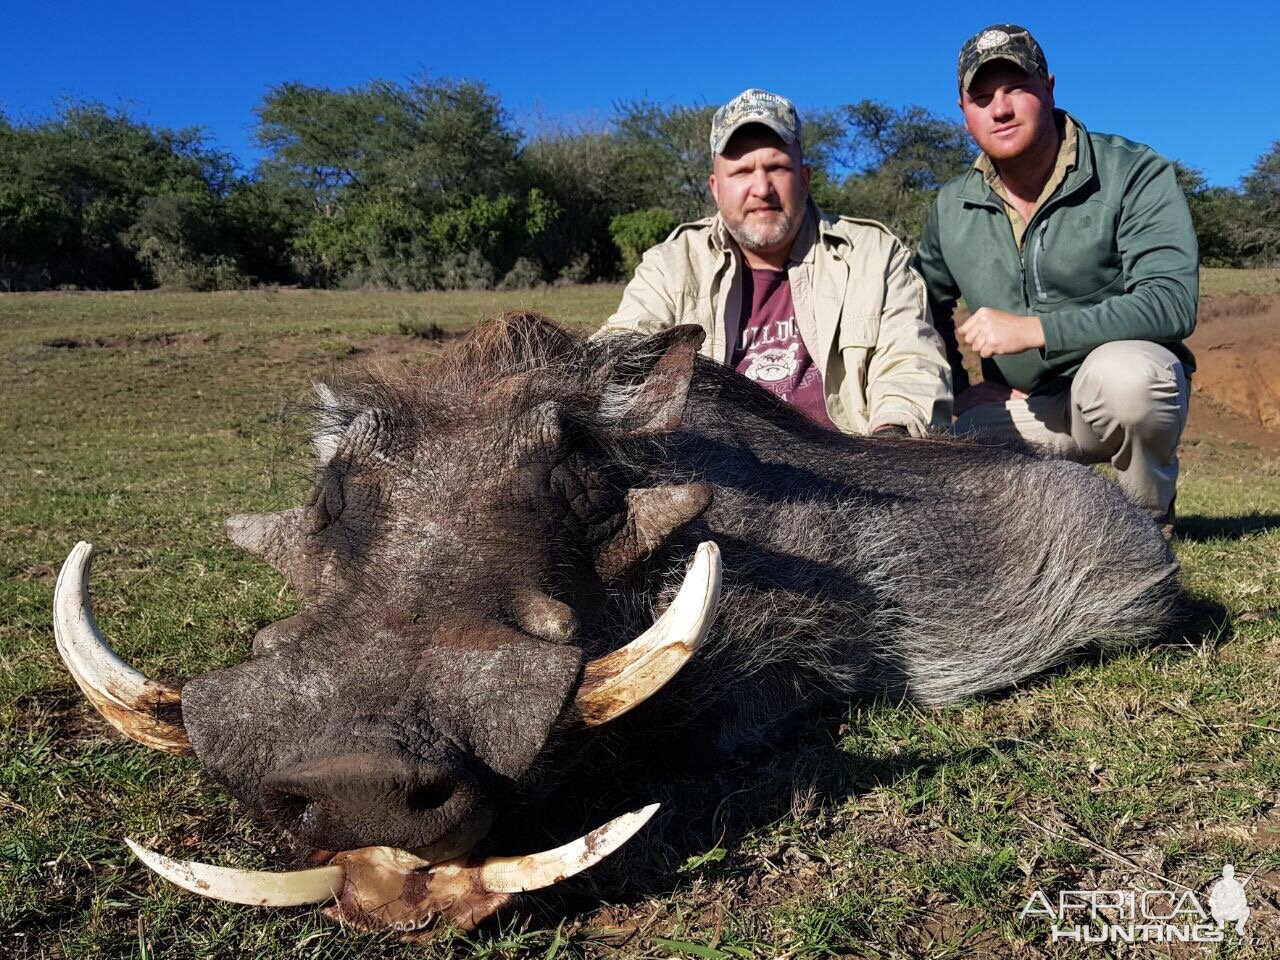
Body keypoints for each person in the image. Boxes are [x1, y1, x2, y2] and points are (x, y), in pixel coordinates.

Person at [914, 25, 1197, 530]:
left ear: (1048, 87)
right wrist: (957, 387)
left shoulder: (1133, 170)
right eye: (981, 97)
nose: (999, 109)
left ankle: (1149, 523)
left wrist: (1034, 330)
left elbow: (1171, 302)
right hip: (1024, 409)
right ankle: (1036, 530)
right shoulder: (951, 204)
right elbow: (922, 305)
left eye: (1015, 88)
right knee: (959, 434)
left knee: (1131, 383)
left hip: (1109, 390)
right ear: (964, 113)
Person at [599, 89, 951, 437]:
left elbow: (911, 361)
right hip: (713, 478)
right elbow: (620, 351)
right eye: (741, 172)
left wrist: (892, 438)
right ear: (715, 188)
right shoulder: (670, 264)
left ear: (805, 179)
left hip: (851, 473)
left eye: (777, 167)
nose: (761, 188)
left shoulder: (873, 253)